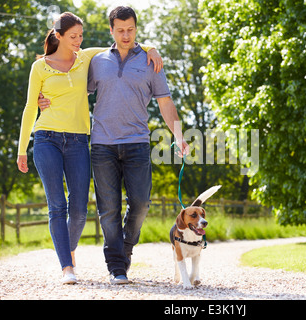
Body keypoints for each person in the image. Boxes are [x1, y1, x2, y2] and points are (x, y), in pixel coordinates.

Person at [17, 12, 162, 284]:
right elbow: (29, 107)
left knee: (81, 209)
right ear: (58, 35)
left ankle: (68, 249)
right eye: (73, 36)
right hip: (46, 138)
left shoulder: (86, 58)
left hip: (78, 140)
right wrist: (22, 148)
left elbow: (124, 44)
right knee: (57, 205)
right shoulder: (40, 68)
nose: (78, 41)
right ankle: (66, 266)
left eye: (81, 36)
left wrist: (152, 48)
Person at [87, 6, 189, 284]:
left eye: (130, 29)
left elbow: (165, 102)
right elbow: (74, 91)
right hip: (102, 145)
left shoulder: (149, 61)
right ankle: (116, 266)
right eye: (120, 30)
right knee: (108, 209)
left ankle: (125, 250)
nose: (125, 35)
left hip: (137, 143)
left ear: (136, 29)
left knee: (141, 203)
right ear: (111, 30)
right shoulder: (97, 61)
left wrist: (179, 135)